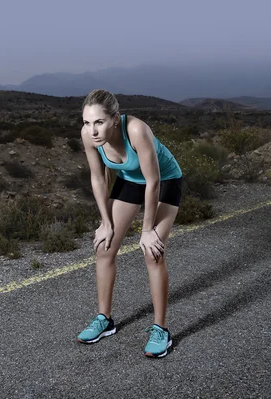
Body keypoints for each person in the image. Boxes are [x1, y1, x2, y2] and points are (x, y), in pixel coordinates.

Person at [76, 89, 183, 358]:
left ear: (114, 119)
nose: (93, 130)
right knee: (104, 246)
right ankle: (105, 319)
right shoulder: (88, 136)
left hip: (164, 181)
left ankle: (161, 330)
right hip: (129, 180)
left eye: (99, 122)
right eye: (87, 123)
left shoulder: (136, 130)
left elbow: (154, 181)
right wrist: (105, 222)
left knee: (153, 252)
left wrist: (147, 230)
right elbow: (98, 179)